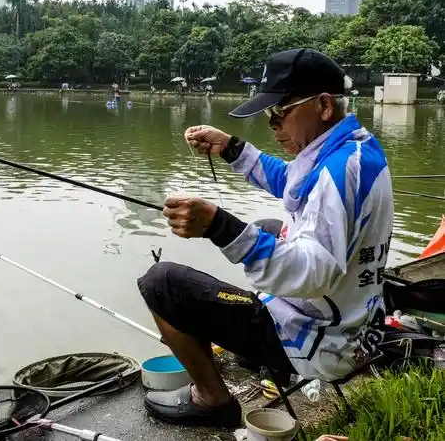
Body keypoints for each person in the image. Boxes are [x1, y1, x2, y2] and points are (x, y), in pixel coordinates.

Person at [137, 48, 394, 428]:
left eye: (280, 112)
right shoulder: (354, 148)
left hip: (326, 340)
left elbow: (312, 274)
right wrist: (230, 147)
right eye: (269, 115)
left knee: (161, 284)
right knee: (273, 227)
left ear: (323, 105)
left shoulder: (335, 176)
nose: (273, 124)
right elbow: (293, 181)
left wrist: (220, 227)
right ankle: (256, 350)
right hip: (357, 317)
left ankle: (213, 399)